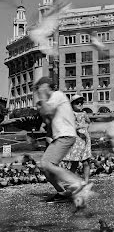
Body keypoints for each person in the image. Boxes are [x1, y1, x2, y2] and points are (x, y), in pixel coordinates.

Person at [34, 77, 92, 207]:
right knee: (44, 167)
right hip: (60, 137)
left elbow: (46, 110)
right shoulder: (51, 100)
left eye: (42, 87)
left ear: (47, 86)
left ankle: (77, 184)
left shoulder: (58, 95)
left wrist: (42, 98)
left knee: (46, 163)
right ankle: (62, 193)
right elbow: (47, 119)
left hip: (66, 136)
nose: (40, 90)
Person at [63, 94, 92, 183]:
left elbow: (88, 122)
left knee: (86, 161)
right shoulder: (70, 114)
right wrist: (78, 127)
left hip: (85, 140)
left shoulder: (84, 113)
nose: (80, 104)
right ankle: (70, 181)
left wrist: (85, 128)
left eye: (81, 102)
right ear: (71, 104)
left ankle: (86, 182)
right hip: (76, 140)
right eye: (77, 103)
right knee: (74, 162)